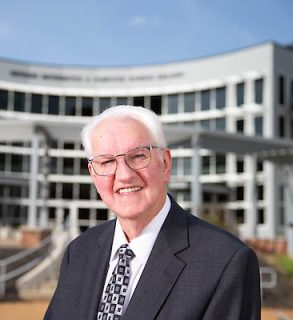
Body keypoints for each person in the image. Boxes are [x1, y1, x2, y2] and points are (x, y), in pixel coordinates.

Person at [44, 105, 261, 320]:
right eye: (107, 161)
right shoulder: (79, 252)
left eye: (138, 156)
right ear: (93, 174)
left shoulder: (226, 263)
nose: (124, 175)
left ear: (165, 164)